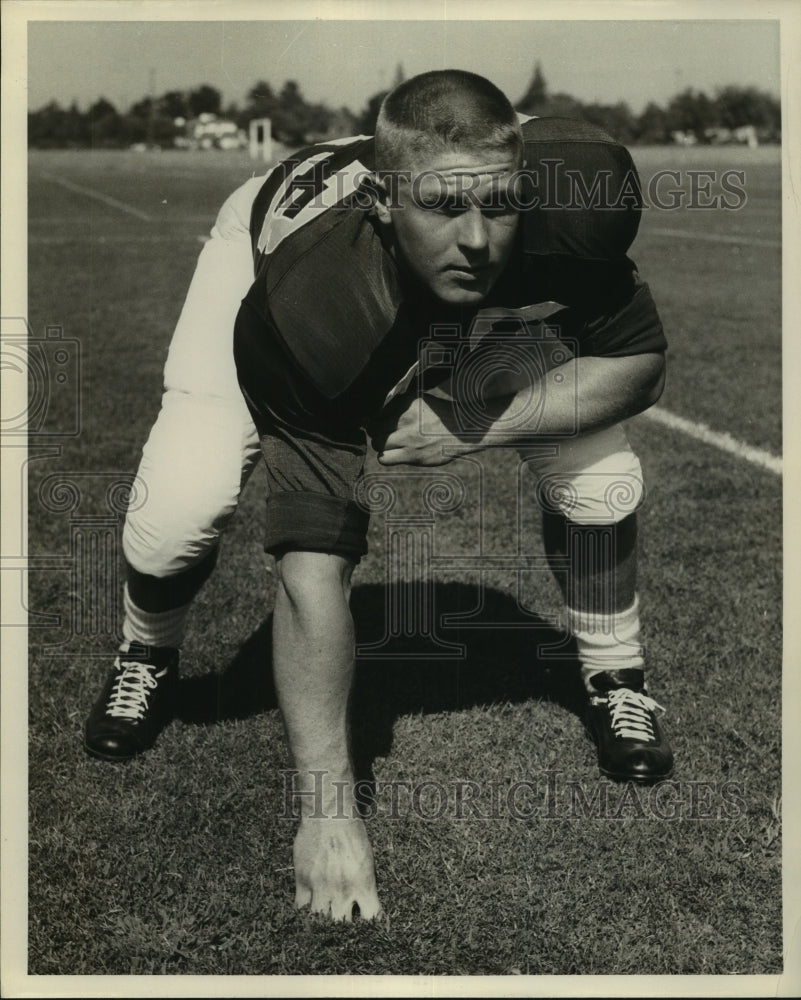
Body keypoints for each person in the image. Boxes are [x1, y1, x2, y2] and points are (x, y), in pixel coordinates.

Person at [85, 70, 673, 921]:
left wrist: (474, 417)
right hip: (270, 249)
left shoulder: (565, 196)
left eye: (500, 205)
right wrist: (327, 813)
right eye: (442, 207)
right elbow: (310, 572)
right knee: (181, 507)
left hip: (437, 286)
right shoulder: (314, 307)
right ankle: (146, 650)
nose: (476, 239)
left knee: (601, 476)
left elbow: (638, 362)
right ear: (383, 201)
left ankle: (616, 674)